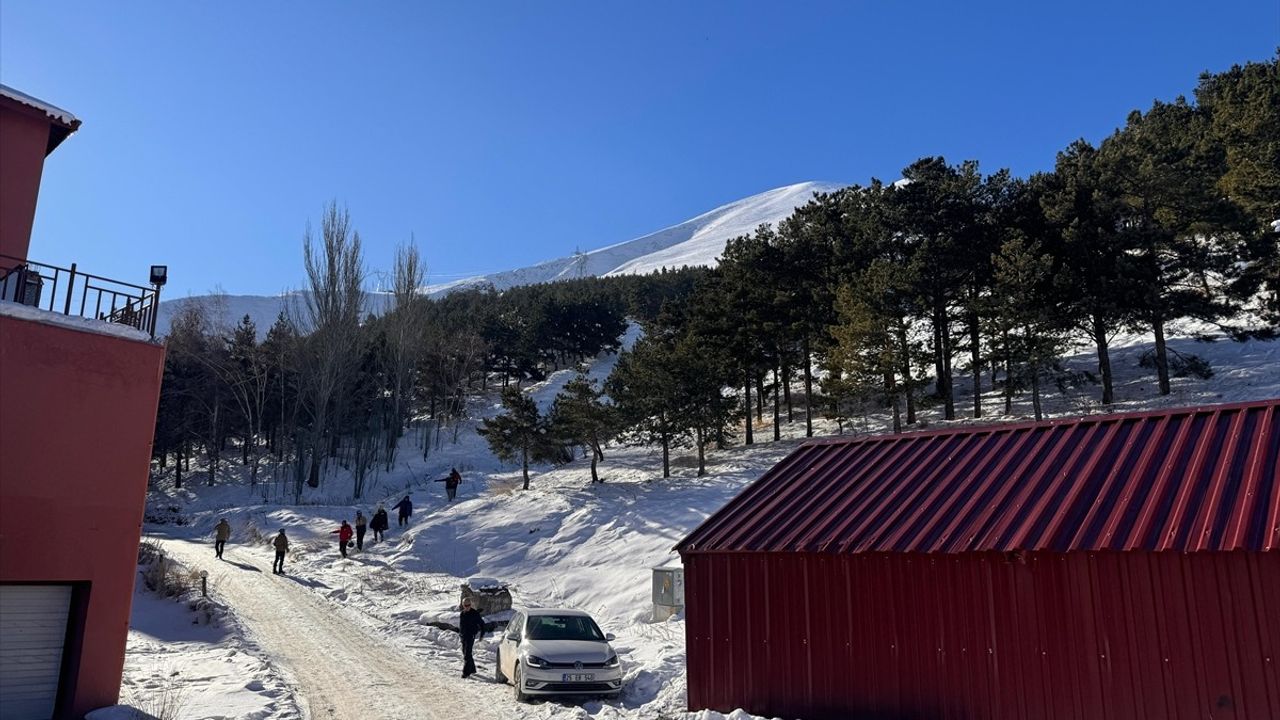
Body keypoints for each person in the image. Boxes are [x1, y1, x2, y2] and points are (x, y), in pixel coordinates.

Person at [459, 597, 486, 678]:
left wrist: (481, 635)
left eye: (469, 605)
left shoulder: (475, 613)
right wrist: (460, 634)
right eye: (465, 605)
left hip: (471, 636)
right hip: (464, 636)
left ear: (470, 605)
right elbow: (461, 626)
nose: (467, 607)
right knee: (465, 652)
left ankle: (466, 672)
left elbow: (482, 624)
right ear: (463, 605)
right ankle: (472, 669)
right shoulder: (462, 614)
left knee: (467, 654)